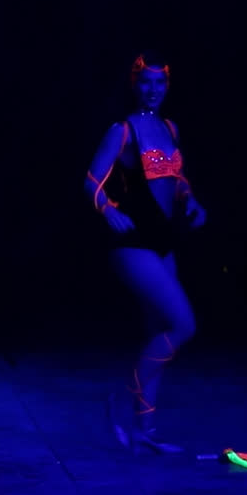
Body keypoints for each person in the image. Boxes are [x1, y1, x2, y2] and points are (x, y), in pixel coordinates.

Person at [82, 53, 207, 453]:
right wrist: (107, 210)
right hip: (133, 242)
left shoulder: (170, 127)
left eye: (160, 83)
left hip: (164, 240)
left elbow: (177, 176)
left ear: (167, 86)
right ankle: (122, 399)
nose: (152, 90)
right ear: (134, 85)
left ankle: (145, 430)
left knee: (159, 333)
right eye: (145, 83)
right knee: (183, 325)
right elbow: (91, 181)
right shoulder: (122, 131)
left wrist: (192, 201)